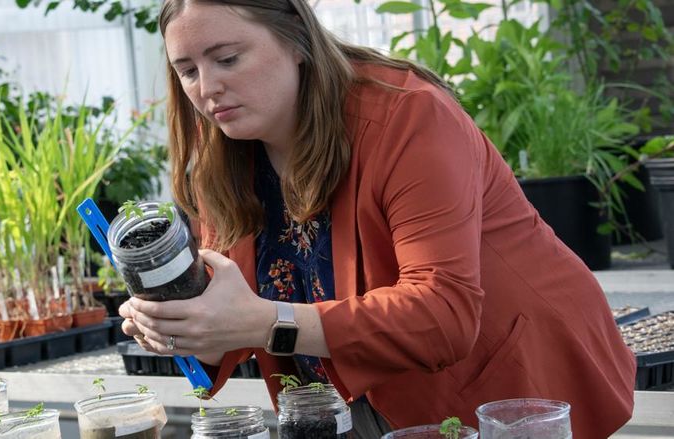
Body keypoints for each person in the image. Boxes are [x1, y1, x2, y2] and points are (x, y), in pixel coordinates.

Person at [119, 0, 637, 437]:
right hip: (339, 407)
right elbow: (235, 310)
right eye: (187, 71)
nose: (207, 88)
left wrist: (265, 321)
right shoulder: (226, 156)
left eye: (228, 59)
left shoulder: (410, 118)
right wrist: (179, 324)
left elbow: (443, 313)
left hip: (495, 390)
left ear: (297, 40)